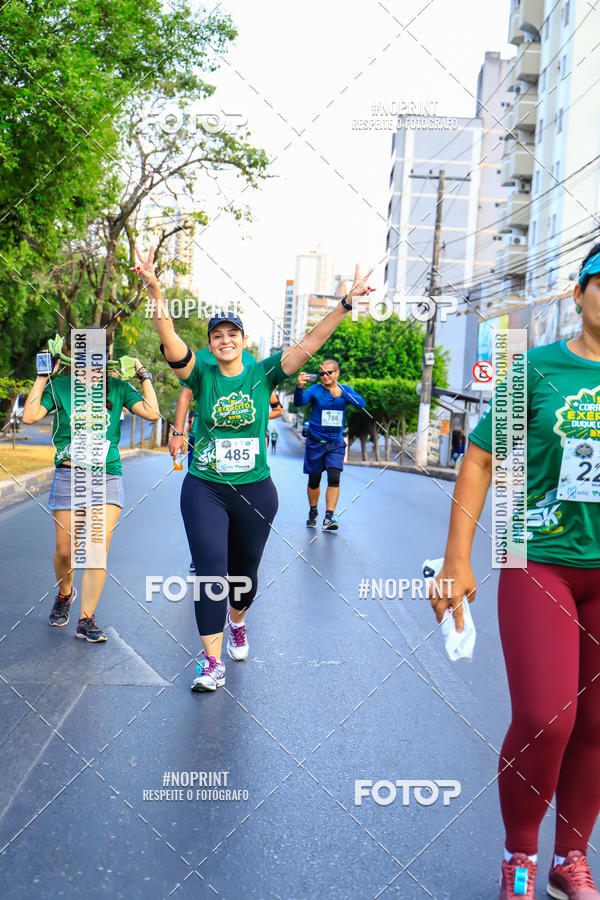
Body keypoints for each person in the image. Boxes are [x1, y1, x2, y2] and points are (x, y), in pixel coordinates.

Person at [431, 244, 600, 899]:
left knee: (595, 726)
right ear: (579, 292)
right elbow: (479, 459)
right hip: (538, 561)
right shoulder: (536, 369)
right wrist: (457, 558)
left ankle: (571, 859)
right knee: (546, 718)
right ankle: (520, 855)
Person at [134, 247, 373, 692]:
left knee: (244, 577)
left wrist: (344, 305)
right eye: (217, 335)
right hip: (204, 487)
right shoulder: (200, 374)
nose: (224, 340)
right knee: (210, 572)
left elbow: (310, 344)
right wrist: (155, 290)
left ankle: (238, 621)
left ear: (243, 340)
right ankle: (212, 662)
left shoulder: (265, 373)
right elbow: (168, 335)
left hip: (255, 491)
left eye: (232, 334)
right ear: (210, 344)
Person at [22, 332, 160, 642]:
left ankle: (86, 619)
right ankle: (65, 593)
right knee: (65, 552)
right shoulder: (60, 387)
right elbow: (30, 416)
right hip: (69, 474)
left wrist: (143, 374)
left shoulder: (119, 388)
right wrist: (43, 375)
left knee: (96, 549)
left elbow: (152, 412)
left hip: (106, 475)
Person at [294, 360, 366, 531]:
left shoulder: (344, 389)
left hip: (335, 443)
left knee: (334, 477)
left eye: (329, 373)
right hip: (316, 442)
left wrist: (343, 395)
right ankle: (313, 511)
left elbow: (361, 404)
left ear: (337, 373)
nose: (325, 376)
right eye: (322, 373)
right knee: (314, 481)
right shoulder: (315, 390)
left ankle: (329, 516)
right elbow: (299, 402)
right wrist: (299, 386)